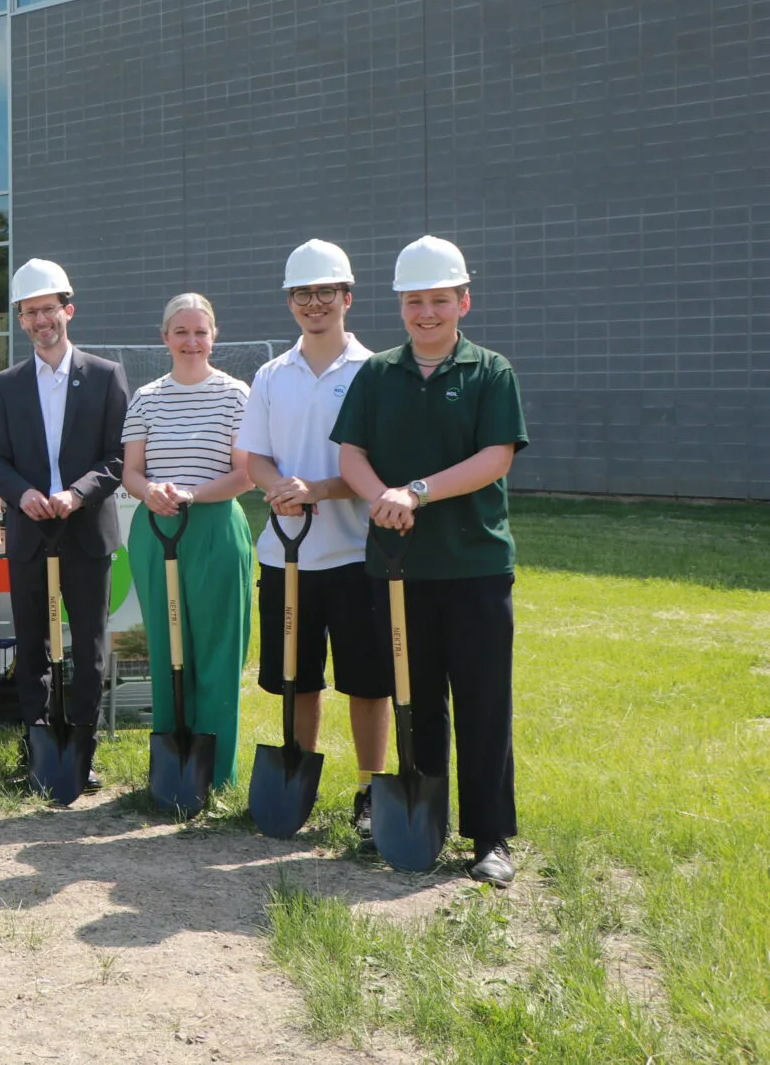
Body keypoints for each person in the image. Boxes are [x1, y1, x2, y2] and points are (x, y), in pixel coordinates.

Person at [332, 235, 527, 887]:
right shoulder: (377, 374)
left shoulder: (490, 371)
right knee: (414, 701)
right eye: (415, 301)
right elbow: (350, 455)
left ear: (463, 301)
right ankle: (423, 821)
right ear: (400, 305)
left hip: (473, 565)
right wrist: (378, 496)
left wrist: (415, 490)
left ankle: (490, 835)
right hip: (398, 567)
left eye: (440, 300)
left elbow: (495, 458)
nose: (427, 313)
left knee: (482, 701)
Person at [238, 240, 390, 837]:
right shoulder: (272, 375)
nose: (315, 303)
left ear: (347, 298)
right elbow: (255, 458)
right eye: (303, 293)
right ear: (290, 302)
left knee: (367, 682)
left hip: (356, 554)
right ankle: (296, 778)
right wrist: (279, 489)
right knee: (296, 679)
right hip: (285, 555)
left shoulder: (375, 372)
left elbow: (379, 467)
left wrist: (319, 490)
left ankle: (369, 790)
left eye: (327, 292)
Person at [0, 260, 130, 790]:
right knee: (32, 645)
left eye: (49, 309)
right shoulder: (7, 383)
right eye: (30, 312)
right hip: (30, 533)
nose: (41, 319)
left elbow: (118, 458)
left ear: (68, 310)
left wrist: (76, 493)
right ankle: (39, 749)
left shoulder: (106, 375)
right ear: (21, 321)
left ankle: (83, 751)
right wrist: (23, 497)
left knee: (88, 645)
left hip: (85, 531)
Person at [121, 292, 255, 790]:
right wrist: (152, 490)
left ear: (213, 336)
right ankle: (173, 770)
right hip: (157, 531)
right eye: (182, 331)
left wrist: (192, 495)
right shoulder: (146, 398)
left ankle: (216, 775)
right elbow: (132, 472)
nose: (192, 341)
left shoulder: (236, 394)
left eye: (200, 331)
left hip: (215, 527)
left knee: (218, 648)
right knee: (166, 646)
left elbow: (245, 475)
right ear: (165, 338)